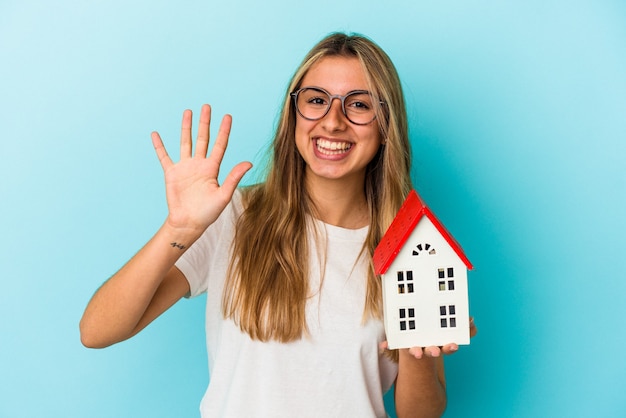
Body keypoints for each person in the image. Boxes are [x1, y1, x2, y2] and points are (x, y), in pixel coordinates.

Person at [80, 32, 476, 418]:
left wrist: (419, 354)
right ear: (293, 116)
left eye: (358, 105)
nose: (333, 121)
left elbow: (420, 413)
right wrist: (178, 230)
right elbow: (97, 331)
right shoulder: (233, 216)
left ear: (386, 124)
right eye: (316, 100)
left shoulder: (410, 245)